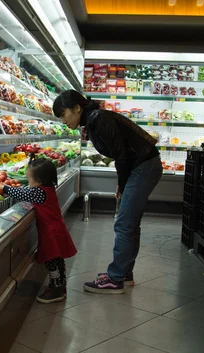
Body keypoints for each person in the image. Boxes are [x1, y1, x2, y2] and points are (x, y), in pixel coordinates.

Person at [53, 90, 163, 294]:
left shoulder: (99, 119)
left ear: (77, 108)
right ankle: (124, 273)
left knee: (123, 223)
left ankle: (115, 279)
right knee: (130, 224)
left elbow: (121, 155)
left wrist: (122, 184)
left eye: (63, 114)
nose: (62, 120)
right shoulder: (95, 119)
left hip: (144, 166)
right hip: (144, 165)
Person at [3, 157, 77, 303]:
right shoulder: (48, 188)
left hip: (51, 232)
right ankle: (61, 285)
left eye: (29, 179)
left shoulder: (39, 192)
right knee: (58, 260)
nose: (28, 182)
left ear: (39, 181)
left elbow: (24, 194)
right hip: (56, 229)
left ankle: (55, 289)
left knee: (51, 261)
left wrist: (5, 188)